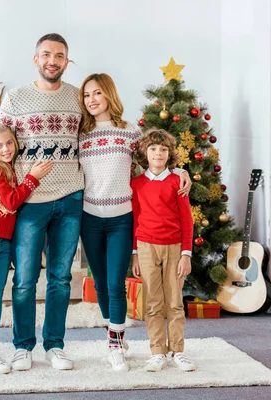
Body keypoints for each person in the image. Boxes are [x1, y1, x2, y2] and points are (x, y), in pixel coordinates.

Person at [0, 33, 84, 371]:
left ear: (67, 61)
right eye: (46, 54)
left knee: (61, 278)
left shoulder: (78, 98)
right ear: (36, 59)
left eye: (60, 55)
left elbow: (100, 137)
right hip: (29, 200)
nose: (53, 60)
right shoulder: (15, 98)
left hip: (71, 197)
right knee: (24, 279)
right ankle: (22, 346)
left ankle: (55, 345)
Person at [78, 73, 191, 372]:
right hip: (89, 219)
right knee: (100, 283)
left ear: (110, 95)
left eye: (98, 93)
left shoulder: (130, 133)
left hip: (121, 220)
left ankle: (115, 346)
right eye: (87, 94)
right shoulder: (80, 135)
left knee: (116, 284)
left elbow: (156, 161)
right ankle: (114, 335)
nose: (92, 99)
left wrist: (182, 172)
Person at [0, 123, 53, 374]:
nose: (5, 149)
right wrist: (33, 179)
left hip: (3, 241)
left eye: (8, 143)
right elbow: (12, 201)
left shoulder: (9, 168)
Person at [131, 128, 196, 372]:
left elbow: (187, 220)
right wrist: (135, 253)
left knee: (175, 302)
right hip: (146, 247)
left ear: (170, 154)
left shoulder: (177, 181)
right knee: (153, 303)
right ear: (145, 153)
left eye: (163, 149)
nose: (158, 153)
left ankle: (177, 351)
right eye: (153, 149)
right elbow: (135, 219)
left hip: (174, 248)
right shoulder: (137, 184)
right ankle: (157, 351)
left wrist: (186, 254)